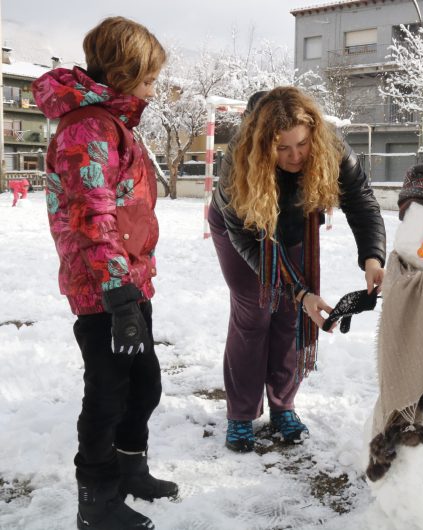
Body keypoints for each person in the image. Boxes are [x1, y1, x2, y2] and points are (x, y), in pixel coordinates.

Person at [31, 16, 177, 530]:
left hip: (129, 282)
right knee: (108, 394)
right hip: (103, 291)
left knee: (145, 386)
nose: (154, 89)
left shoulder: (113, 122)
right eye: (150, 78)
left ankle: (130, 468)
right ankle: (96, 497)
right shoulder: (87, 127)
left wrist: (132, 288)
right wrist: (118, 298)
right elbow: (93, 216)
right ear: (125, 70)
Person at [209, 86, 386, 453]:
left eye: (302, 145)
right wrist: (299, 290)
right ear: (264, 145)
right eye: (282, 148)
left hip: (293, 223)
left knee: (290, 314)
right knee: (254, 312)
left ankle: (283, 404)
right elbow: (245, 238)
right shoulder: (239, 159)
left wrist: (373, 256)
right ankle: (241, 414)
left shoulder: (331, 146)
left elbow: (361, 200)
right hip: (243, 231)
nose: (295, 156)